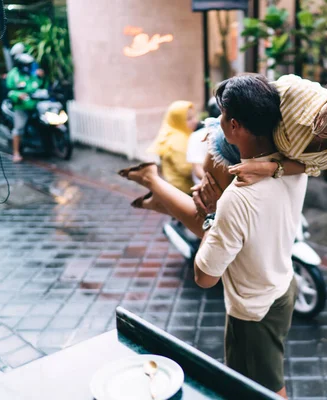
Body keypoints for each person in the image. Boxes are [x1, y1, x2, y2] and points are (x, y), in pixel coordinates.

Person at [124, 75, 300, 398]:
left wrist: (212, 214)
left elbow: (204, 277)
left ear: (234, 127)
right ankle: (156, 188)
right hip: (283, 285)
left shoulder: (236, 197)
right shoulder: (292, 165)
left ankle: (154, 184)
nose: (216, 121)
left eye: (221, 116)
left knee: (267, 390)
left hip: (254, 309)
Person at [119, 74, 327, 232]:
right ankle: (152, 180)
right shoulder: (294, 91)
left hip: (279, 174)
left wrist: (271, 168)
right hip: (236, 149)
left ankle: (160, 199)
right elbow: (247, 102)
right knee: (211, 221)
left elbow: (310, 167)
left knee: (234, 230)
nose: (326, 131)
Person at [142, 101, 202, 204]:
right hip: (182, 190)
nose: (195, 121)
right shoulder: (177, 140)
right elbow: (186, 169)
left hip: (175, 187)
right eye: (189, 119)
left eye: (194, 117)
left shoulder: (174, 132)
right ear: (177, 121)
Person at [5, 53, 44, 163]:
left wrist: (41, 77)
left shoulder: (33, 74)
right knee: (19, 128)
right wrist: (18, 95)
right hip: (20, 106)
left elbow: (40, 86)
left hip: (34, 104)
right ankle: (16, 152)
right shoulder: (13, 75)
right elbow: (9, 91)